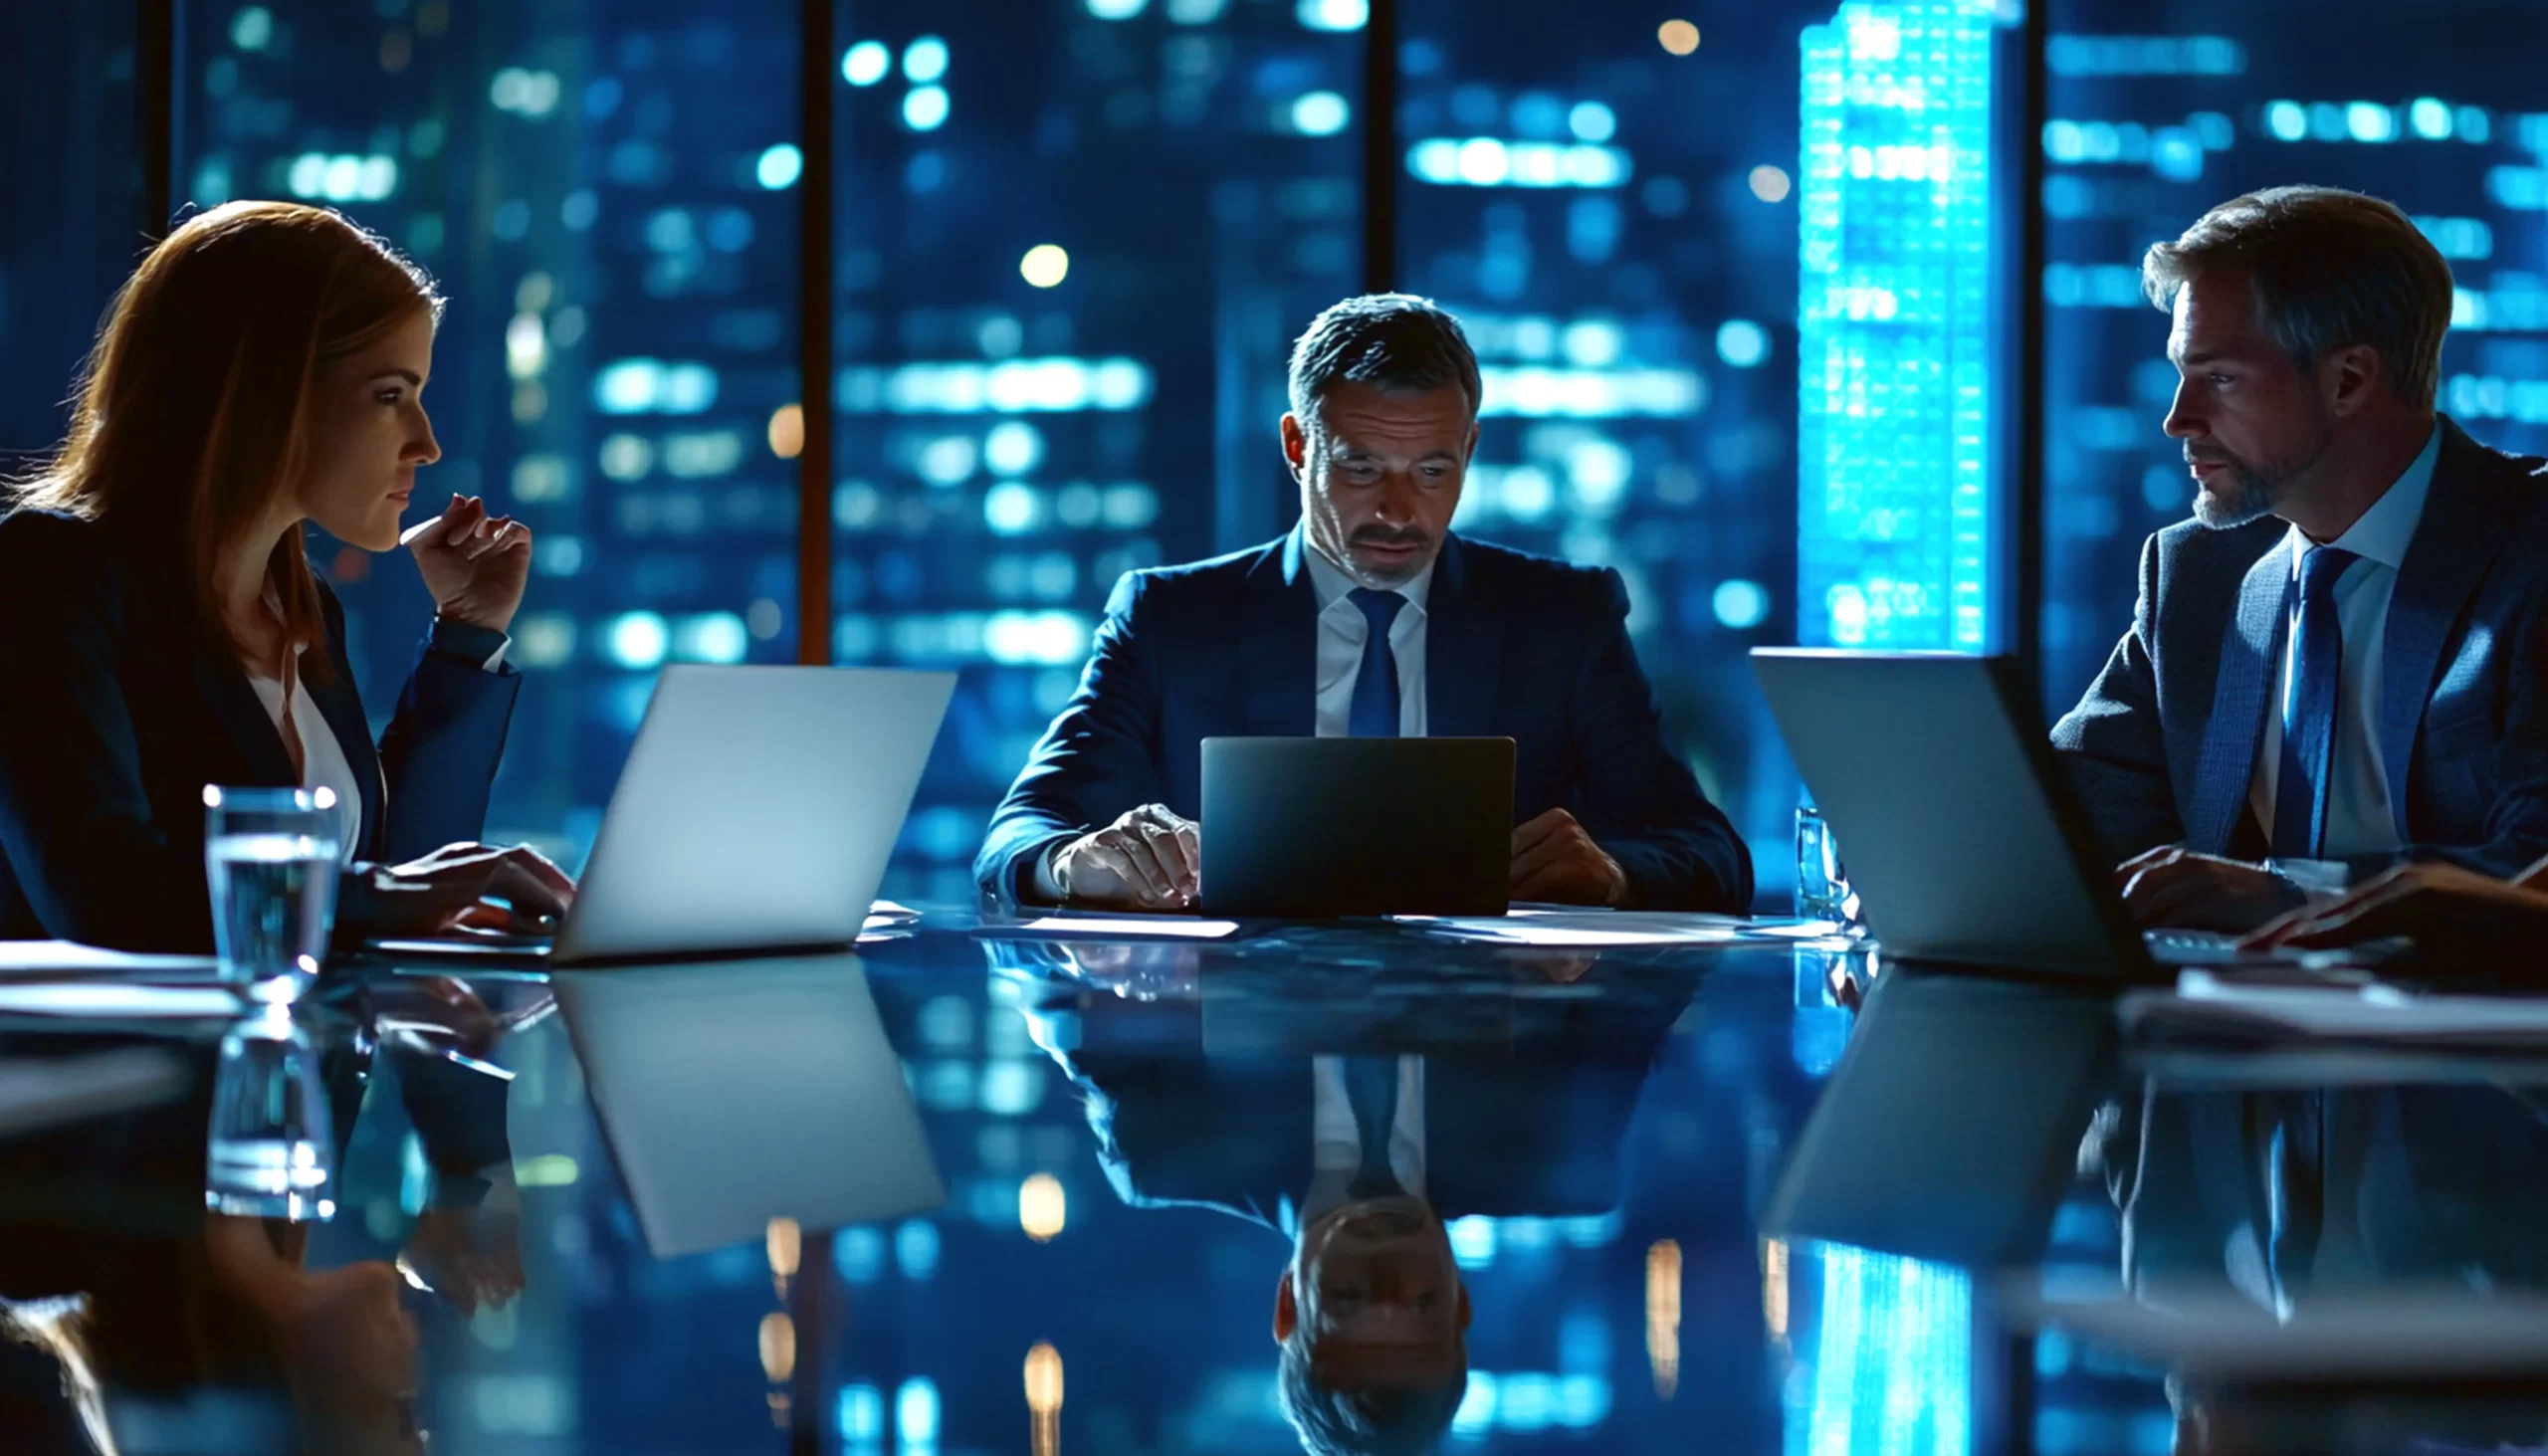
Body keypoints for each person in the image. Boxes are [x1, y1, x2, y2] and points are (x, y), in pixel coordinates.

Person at [974, 293, 1753, 914]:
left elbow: (1709, 850)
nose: (1398, 511)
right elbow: (1017, 835)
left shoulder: (1563, 619)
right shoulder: (1170, 618)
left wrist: (1612, 874)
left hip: (1495, 1060)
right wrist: (1073, 862)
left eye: (1431, 471)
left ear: (1471, 452)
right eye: (1361, 468)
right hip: (1233, 1051)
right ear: (1296, 446)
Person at [0, 200, 573, 952]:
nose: (427, 444)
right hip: (118, 1067)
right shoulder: (54, 573)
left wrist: (468, 635)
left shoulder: (304, 608)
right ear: (268, 391)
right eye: (390, 396)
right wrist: (384, 896)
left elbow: (392, 874)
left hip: (291, 1062)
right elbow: (103, 891)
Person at [2049, 186, 2548, 933]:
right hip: (2226, 1031)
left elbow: (2533, 861)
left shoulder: (2531, 553)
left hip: (2475, 1038)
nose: (2177, 418)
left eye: (2218, 377)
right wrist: (1938, 875)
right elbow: (2068, 816)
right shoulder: (2196, 574)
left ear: (2348, 380)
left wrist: (2293, 890)